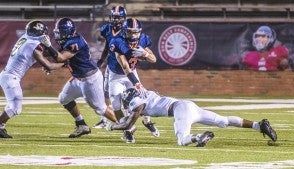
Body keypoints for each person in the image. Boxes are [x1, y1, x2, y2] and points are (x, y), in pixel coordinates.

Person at [107, 88, 277, 147]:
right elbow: (145, 120)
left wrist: (112, 126)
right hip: (187, 105)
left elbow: (127, 124)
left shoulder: (138, 104)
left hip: (180, 109)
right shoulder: (146, 98)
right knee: (223, 121)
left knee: (182, 140)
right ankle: (258, 125)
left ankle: (199, 137)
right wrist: (152, 128)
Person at [40, 17, 117, 138]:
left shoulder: (75, 42)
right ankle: (82, 125)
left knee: (101, 109)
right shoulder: (69, 40)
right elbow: (63, 59)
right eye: (58, 32)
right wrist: (45, 55)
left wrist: (48, 47)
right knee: (64, 98)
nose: (59, 35)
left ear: (69, 31)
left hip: (90, 79)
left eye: (61, 32)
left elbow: (61, 58)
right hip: (78, 78)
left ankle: (126, 125)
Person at [0, 20, 65, 138]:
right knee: (15, 108)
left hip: (8, 76)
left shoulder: (26, 38)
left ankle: (0, 127)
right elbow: (48, 65)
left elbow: (40, 55)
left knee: (12, 105)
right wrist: (64, 63)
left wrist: (53, 52)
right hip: (11, 78)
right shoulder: (32, 45)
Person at [102, 14, 159, 142]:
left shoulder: (143, 39)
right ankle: (128, 130)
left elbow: (154, 59)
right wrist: (137, 84)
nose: (133, 36)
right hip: (116, 75)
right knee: (116, 103)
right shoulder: (118, 41)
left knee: (140, 99)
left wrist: (145, 53)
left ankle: (146, 121)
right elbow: (125, 66)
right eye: (129, 32)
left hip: (133, 72)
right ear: (124, 31)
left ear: (139, 32)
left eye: (135, 33)